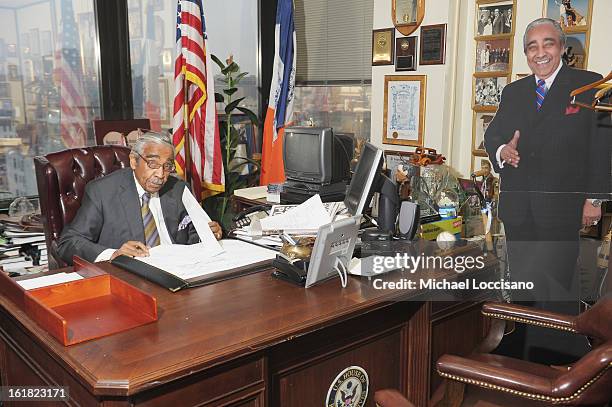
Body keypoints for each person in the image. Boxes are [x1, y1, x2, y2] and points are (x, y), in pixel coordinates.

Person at [484, 18, 610, 361]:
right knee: (523, 283)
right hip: (519, 206)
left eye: (548, 43)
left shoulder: (589, 85)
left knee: (556, 285)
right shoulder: (514, 91)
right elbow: (494, 135)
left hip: (561, 208)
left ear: (562, 48)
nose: (540, 53)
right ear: (526, 53)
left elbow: (602, 145)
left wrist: (595, 198)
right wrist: (501, 151)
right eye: (532, 46)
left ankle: (558, 356)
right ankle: (522, 349)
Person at [58, 131, 223, 264]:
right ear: (133, 162)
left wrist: (208, 234)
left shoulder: (178, 188)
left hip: (179, 270)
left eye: (167, 166)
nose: (160, 174)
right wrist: (114, 253)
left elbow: (191, 235)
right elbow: (69, 243)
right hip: (130, 278)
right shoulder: (102, 192)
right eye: (152, 164)